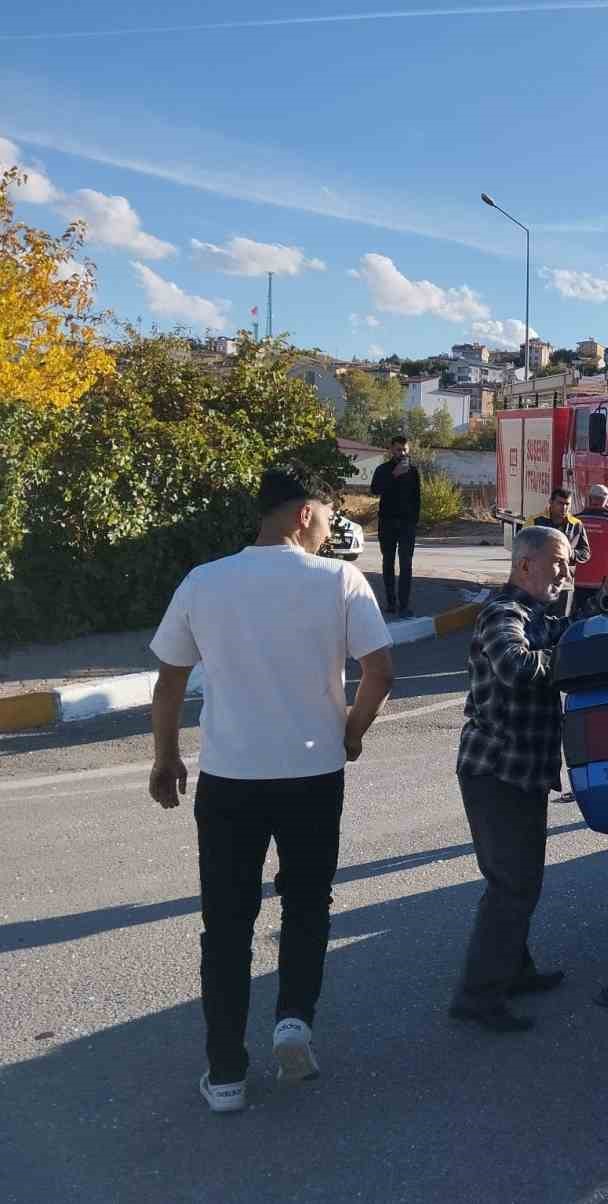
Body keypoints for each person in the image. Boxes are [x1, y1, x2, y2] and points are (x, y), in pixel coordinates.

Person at [147, 464, 396, 1113]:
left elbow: (169, 682)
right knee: (308, 903)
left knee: (226, 926)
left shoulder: (205, 582)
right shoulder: (339, 579)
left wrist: (167, 758)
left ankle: (226, 1075)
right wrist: (352, 732)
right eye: (323, 516)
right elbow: (381, 670)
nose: (325, 530)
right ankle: (293, 1022)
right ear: (300, 514)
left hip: (230, 780)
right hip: (313, 775)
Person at [449, 525, 608, 1033]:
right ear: (525, 565)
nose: (567, 572)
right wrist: (571, 659)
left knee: (522, 882)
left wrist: (607, 599)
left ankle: (515, 970)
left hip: (521, 773)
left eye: (570, 563)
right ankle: (477, 997)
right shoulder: (502, 614)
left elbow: (569, 632)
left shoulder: (536, 616)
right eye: (559, 563)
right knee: (511, 885)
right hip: (494, 773)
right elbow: (516, 665)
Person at [371, 435, 421, 617]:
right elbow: (375, 490)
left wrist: (414, 520)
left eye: (405, 449)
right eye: (398, 449)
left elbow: (417, 498)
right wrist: (394, 475)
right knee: (388, 562)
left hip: (407, 524)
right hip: (387, 522)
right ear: (391, 450)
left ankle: (404, 605)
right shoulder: (383, 470)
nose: (402, 453)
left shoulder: (413, 472)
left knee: (406, 564)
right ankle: (391, 603)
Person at [578, 483, 608, 568]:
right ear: (606, 500)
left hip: (578, 574)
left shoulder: (577, 520)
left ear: (590, 498)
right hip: (606, 575)